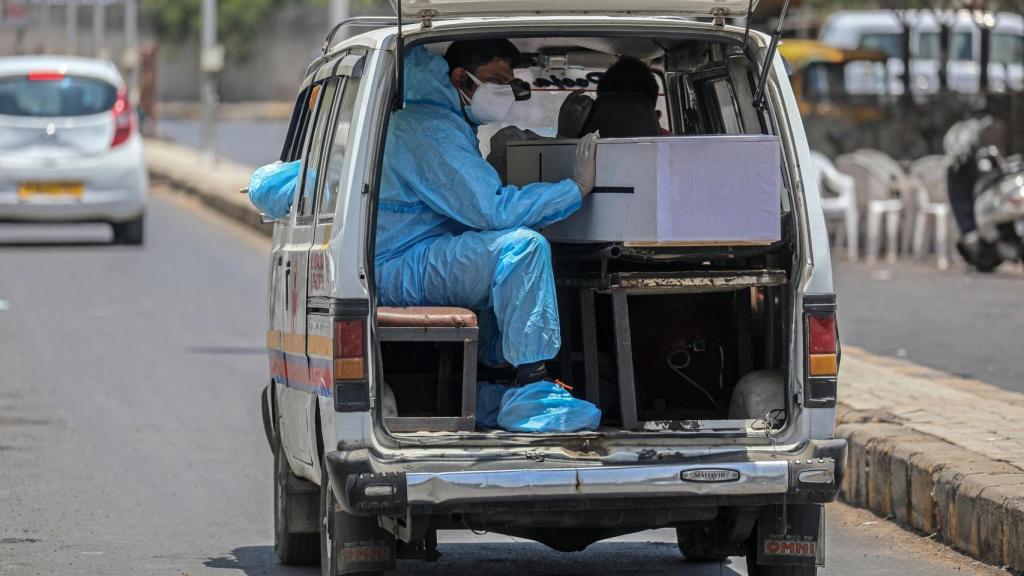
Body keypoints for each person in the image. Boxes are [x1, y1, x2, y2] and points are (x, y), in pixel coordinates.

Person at [375, 40, 599, 392]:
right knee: (520, 249)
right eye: (495, 79)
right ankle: (533, 385)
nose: (504, 91)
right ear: (460, 78)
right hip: (399, 267)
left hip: (416, 255)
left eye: (508, 82)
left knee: (499, 252)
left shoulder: (448, 122)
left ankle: (495, 379)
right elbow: (492, 210)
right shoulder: (429, 127)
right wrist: (573, 189)